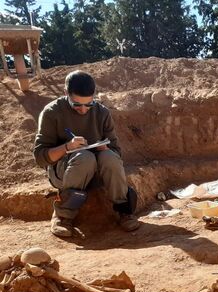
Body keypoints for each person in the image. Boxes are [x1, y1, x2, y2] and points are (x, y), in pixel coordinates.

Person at [33, 70, 140, 238]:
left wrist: (105, 149)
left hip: (97, 172)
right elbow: (40, 157)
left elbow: (117, 152)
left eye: (88, 104)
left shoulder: (102, 112)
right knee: (84, 157)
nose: (83, 109)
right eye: (77, 104)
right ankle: (62, 216)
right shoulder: (52, 112)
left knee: (110, 157)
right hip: (64, 172)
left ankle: (125, 212)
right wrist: (67, 147)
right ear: (65, 93)